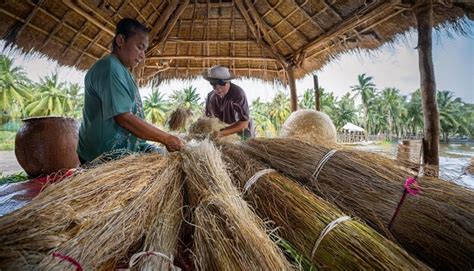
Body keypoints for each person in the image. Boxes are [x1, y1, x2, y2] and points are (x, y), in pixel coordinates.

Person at [77, 18, 184, 163]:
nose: (143, 55)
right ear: (121, 40)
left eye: (144, 50)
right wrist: (166, 139)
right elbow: (124, 118)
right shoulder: (110, 68)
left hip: (126, 152)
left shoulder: (123, 71)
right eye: (139, 47)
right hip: (103, 158)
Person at [204, 65, 254, 139]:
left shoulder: (238, 94)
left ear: (228, 82)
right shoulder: (210, 96)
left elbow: (244, 124)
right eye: (214, 86)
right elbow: (207, 118)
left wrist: (221, 133)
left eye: (221, 86)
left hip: (239, 130)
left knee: (245, 138)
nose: (218, 90)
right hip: (220, 130)